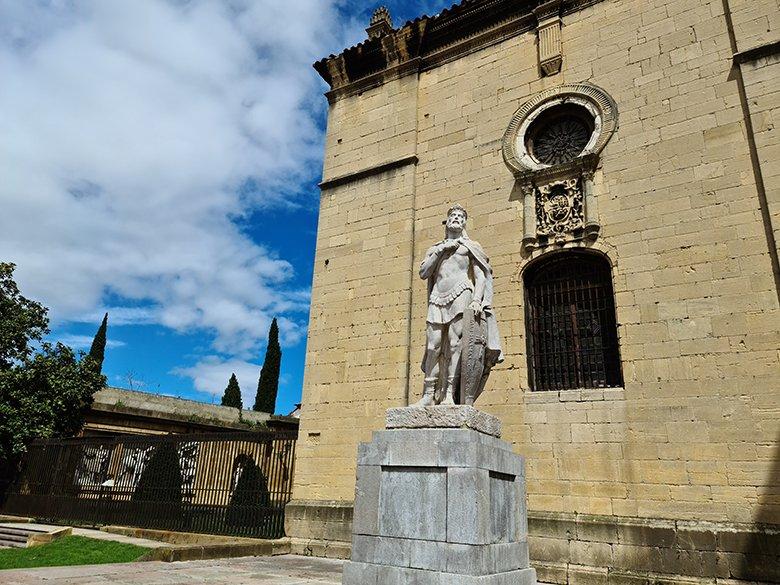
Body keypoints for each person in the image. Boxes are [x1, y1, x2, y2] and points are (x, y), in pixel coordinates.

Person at [415, 204, 502, 406]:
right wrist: (441, 250)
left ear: (464, 222)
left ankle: (449, 394)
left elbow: (481, 277)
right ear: (447, 221)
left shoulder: (471, 247)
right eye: (453, 215)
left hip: (462, 292)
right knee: (433, 346)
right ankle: (428, 394)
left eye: (460, 216)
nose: (456, 218)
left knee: (455, 344)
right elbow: (423, 273)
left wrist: (477, 300)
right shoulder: (435, 248)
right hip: (437, 296)